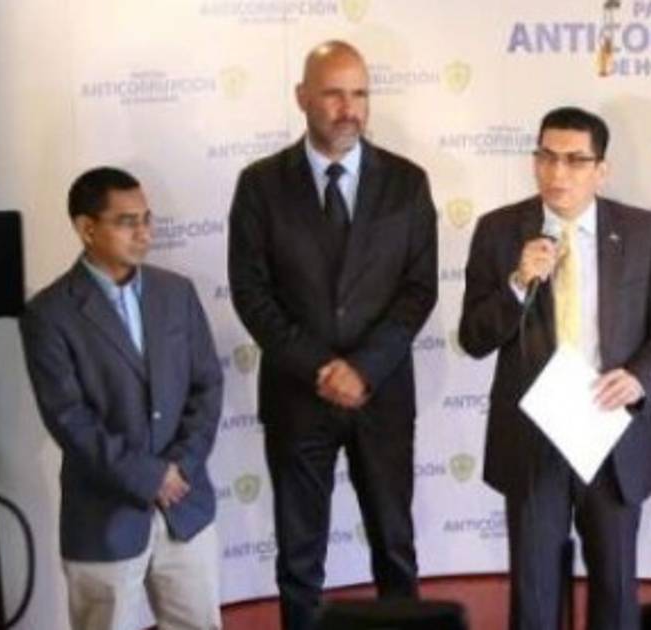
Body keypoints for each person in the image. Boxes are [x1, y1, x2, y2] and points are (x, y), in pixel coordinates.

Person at [226, 40, 438, 630]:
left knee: (395, 547)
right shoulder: (260, 185)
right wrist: (321, 368)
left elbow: (419, 289)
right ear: (302, 97)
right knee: (299, 560)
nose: (350, 109)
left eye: (360, 94)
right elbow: (251, 293)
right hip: (298, 397)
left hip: (382, 396)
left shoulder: (407, 182)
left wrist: (363, 368)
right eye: (334, 94)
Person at [458, 106, 651, 630]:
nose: (557, 172)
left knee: (616, 593)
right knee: (535, 598)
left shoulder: (641, 231)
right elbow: (473, 338)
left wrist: (638, 379)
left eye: (575, 160)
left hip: (612, 434)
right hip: (533, 439)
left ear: (601, 170)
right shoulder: (499, 231)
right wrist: (518, 283)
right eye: (546, 157)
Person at [20, 167, 223, 630]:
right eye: (127, 222)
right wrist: (149, 477)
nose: (144, 232)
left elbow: (207, 385)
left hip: (185, 507)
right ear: (86, 228)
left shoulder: (176, 293)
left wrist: (181, 468)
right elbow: (68, 418)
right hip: (104, 518)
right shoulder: (48, 314)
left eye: (147, 219)